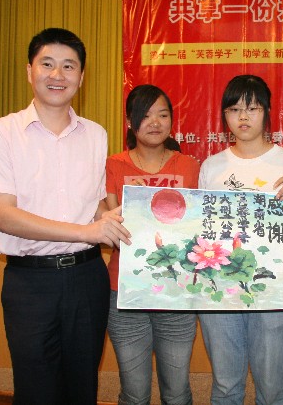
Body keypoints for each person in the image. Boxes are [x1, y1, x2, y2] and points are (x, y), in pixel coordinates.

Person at [0, 28, 131, 405]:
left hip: (87, 279)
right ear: (30, 71)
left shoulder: (96, 135)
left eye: (69, 66)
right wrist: (89, 231)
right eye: (47, 64)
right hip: (30, 283)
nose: (58, 75)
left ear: (81, 77)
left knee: (82, 387)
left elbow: (93, 206)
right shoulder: (0, 133)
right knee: (36, 389)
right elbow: (6, 216)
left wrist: (119, 221)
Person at [198, 74, 283, 405]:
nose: (243, 117)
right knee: (225, 387)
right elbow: (203, 231)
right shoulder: (212, 166)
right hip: (221, 289)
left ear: (267, 112)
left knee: (272, 389)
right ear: (224, 115)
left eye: (252, 108)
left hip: (273, 288)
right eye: (234, 109)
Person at [104, 84, 199, 405]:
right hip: (125, 291)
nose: (155, 122)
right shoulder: (114, 165)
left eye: (163, 114)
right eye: (145, 116)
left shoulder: (189, 166)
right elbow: (110, 222)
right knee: (134, 393)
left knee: (177, 391)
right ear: (129, 121)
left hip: (177, 293)